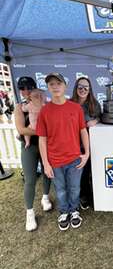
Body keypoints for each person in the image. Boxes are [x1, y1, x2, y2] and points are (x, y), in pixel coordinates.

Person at [36, 73, 89, 231]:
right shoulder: (45, 111)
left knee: (74, 188)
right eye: (51, 84)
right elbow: (42, 139)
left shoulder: (76, 108)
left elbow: (83, 131)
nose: (55, 86)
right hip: (54, 161)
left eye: (58, 83)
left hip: (74, 159)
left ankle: (74, 210)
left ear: (65, 86)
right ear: (48, 88)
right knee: (60, 190)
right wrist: (45, 164)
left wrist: (87, 153)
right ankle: (64, 211)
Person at [15, 77, 52, 232]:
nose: (25, 91)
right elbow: (21, 130)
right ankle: (29, 212)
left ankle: (45, 197)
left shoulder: (44, 101)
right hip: (29, 146)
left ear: (35, 88)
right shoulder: (20, 106)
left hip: (46, 144)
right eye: (22, 88)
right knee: (30, 179)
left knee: (47, 173)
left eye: (29, 87)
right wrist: (42, 132)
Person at [71, 77, 101, 209]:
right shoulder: (69, 104)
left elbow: (102, 116)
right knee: (80, 173)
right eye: (80, 87)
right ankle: (83, 196)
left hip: (92, 143)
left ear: (90, 90)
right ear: (76, 88)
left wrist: (96, 120)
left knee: (92, 170)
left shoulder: (94, 103)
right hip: (74, 144)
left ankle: (94, 195)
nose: (83, 90)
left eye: (86, 87)